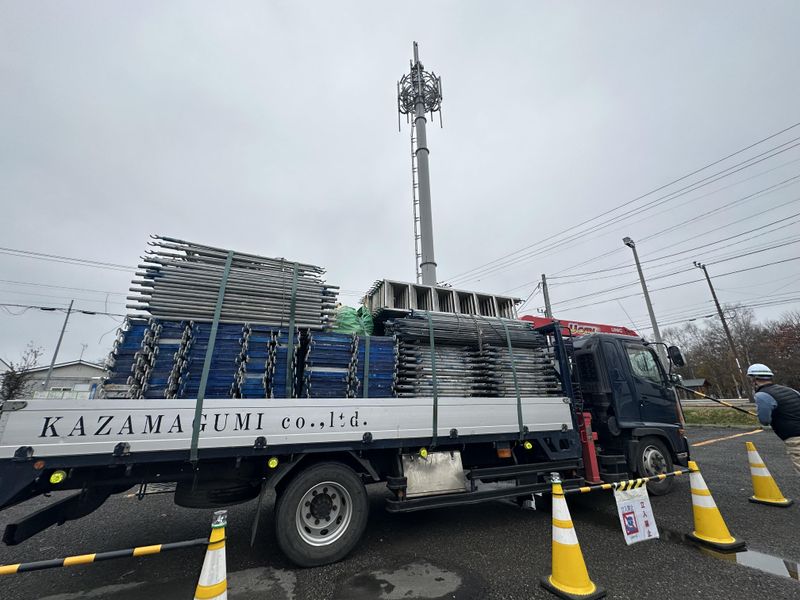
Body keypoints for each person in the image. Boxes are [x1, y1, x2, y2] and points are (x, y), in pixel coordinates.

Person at [748, 363, 800, 475]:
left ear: (754, 380)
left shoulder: (762, 395)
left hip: (796, 439)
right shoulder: (791, 390)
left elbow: (765, 421)